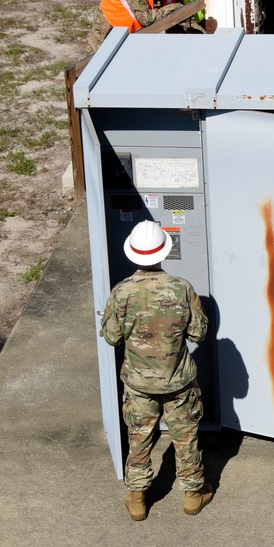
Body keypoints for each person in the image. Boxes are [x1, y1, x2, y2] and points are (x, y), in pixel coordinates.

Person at [100, 220, 214, 520]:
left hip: (138, 383)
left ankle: (137, 497)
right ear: (163, 252)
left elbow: (112, 337)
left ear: (133, 255)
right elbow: (198, 334)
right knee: (185, 436)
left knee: (139, 437)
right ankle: (193, 495)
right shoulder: (182, 288)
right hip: (178, 381)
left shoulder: (121, 292)